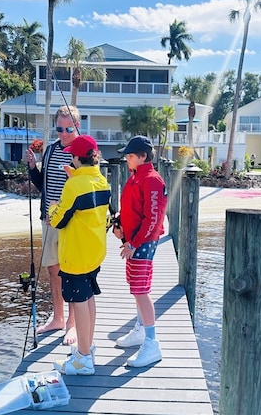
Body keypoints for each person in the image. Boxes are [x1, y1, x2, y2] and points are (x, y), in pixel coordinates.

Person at [49, 135, 110, 375]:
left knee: (78, 301)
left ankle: (83, 359)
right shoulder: (102, 181)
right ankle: (88, 347)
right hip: (94, 252)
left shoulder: (73, 186)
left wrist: (53, 205)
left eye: (72, 157)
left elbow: (58, 220)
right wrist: (75, 178)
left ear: (76, 158)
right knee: (89, 297)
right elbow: (86, 201)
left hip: (75, 255)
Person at [25, 105, 79, 345]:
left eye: (68, 128)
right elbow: (43, 186)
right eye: (59, 128)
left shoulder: (83, 152)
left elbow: (87, 189)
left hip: (72, 222)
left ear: (77, 126)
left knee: (73, 271)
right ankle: (58, 317)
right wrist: (33, 168)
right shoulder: (50, 150)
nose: (64, 133)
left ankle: (73, 324)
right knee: (53, 269)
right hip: (49, 220)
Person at [112, 135, 168, 368]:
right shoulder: (135, 177)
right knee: (136, 287)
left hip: (143, 242)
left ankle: (152, 343)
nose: (127, 159)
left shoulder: (152, 179)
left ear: (143, 156)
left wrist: (134, 243)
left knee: (140, 289)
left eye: (131, 155)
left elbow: (153, 219)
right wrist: (120, 225)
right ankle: (140, 330)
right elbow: (132, 209)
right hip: (133, 240)